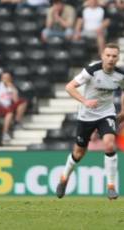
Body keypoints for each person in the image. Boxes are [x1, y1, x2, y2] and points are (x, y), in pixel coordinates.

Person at [57, 43, 124, 200]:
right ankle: (64, 177)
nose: (111, 59)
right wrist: (85, 101)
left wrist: (122, 111)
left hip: (106, 114)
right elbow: (70, 87)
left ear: (118, 58)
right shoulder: (92, 70)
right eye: (108, 55)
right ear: (102, 56)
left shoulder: (120, 74)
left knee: (109, 143)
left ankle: (111, 187)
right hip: (86, 115)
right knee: (78, 153)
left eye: (114, 56)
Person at [0, 72, 28, 143]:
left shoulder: (11, 87)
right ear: (1, 78)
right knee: (9, 112)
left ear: (10, 79)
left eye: (8, 78)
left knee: (23, 102)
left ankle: (17, 122)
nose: (6, 79)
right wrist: (3, 106)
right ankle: (5, 133)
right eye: (4, 77)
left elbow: (16, 100)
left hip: (9, 106)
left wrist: (12, 88)